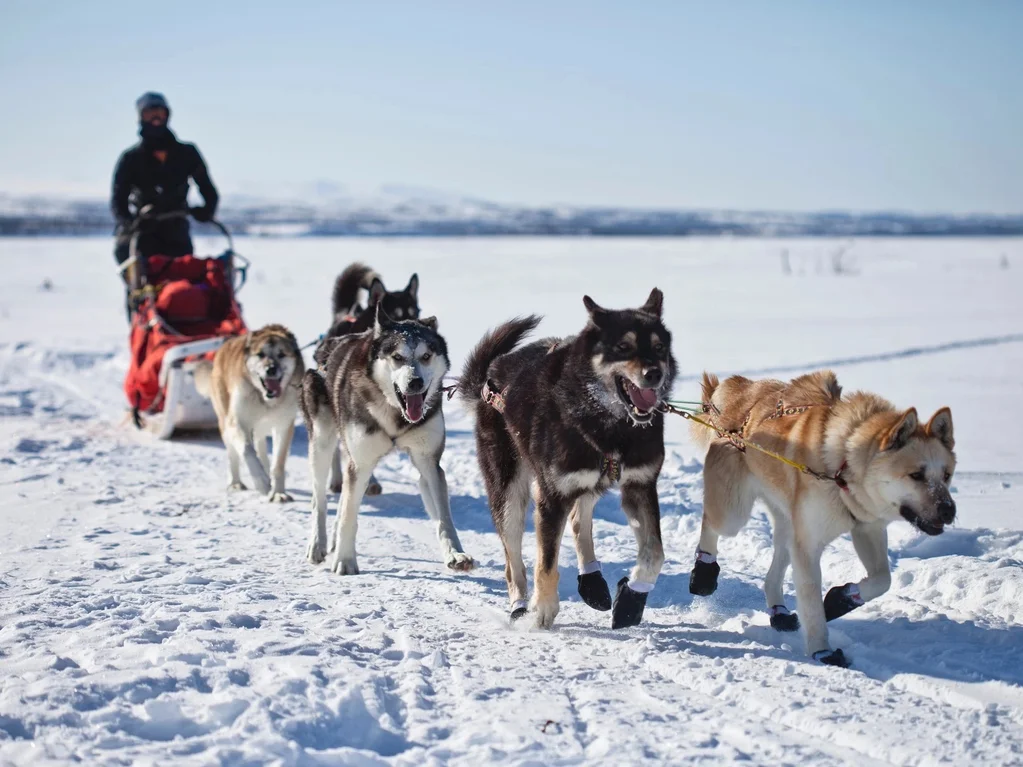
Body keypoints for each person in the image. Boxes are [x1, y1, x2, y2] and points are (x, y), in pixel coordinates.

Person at [111, 92, 219, 269]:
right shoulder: (131, 158)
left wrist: (207, 210)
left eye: (160, 113)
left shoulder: (187, 153)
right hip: (143, 238)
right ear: (140, 117)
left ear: (167, 115)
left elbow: (209, 190)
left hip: (177, 236)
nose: (155, 119)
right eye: (149, 113)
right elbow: (118, 200)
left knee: (182, 287)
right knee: (142, 291)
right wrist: (132, 223)